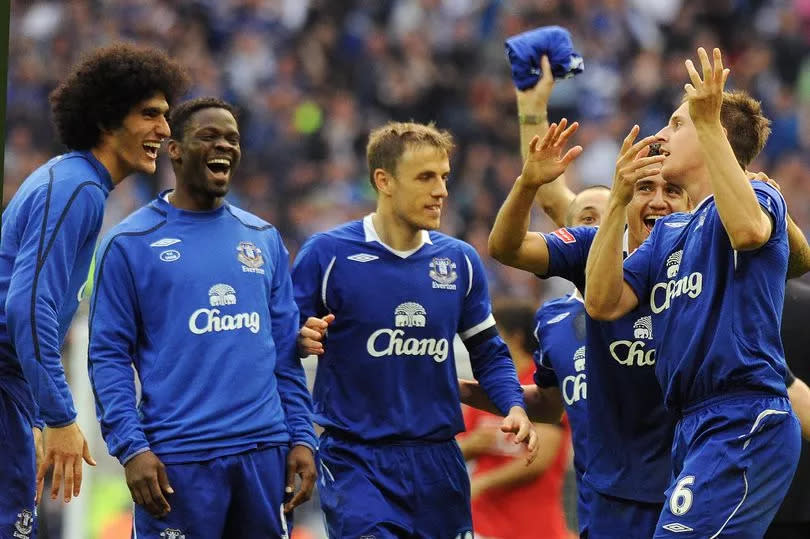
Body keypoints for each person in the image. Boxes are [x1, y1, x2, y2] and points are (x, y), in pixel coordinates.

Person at [585, 47, 801, 537]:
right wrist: (618, 199)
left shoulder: (761, 196)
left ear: (710, 135)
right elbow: (603, 302)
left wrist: (705, 123)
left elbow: (747, 231)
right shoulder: (668, 233)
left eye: (676, 125)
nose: (660, 137)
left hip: (743, 415)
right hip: (691, 425)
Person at [293, 121, 538, 538]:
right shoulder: (327, 255)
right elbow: (278, 343)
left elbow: (489, 351)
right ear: (383, 181)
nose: (441, 190)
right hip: (357, 459)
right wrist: (298, 338)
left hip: (438, 461)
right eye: (426, 177)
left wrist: (513, 406)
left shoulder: (459, 261)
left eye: (444, 176)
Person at [88, 97, 317, 538]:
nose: (224, 146)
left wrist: (302, 437)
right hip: (179, 460)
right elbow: (107, 357)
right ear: (174, 148)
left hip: (263, 451)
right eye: (209, 136)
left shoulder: (263, 238)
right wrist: (131, 449)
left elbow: (285, 354)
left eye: (232, 138)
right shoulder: (130, 242)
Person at [0, 43, 188, 534]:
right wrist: (59, 415)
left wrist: (37, 416)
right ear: (108, 119)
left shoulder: (74, 182)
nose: (165, 130)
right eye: (150, 114)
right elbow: (27, 306)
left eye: (166, 116)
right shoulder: (77, 187)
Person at [458, 300, 572, 539]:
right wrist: (473, 444)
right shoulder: (487, 387)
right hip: (482, 524)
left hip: (532, 526)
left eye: (493, 335)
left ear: (515, 338)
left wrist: (485, 482)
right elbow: (457, 449)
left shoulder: (542, 383)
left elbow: (543, 457)